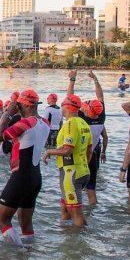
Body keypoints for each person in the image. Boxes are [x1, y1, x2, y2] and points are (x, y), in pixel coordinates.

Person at [0, 89, 51, 245]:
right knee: (25, 222)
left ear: (25, 105)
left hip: (21, 177)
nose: (17, 107)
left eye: (19, 105)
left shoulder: (25, 123)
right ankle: (29, 254)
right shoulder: (45, 123)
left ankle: (18, 254)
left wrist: (7, 114)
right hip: (35, 177)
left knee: (2, 220)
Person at [42, 94, 92, 228]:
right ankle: (64, 233)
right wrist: (83, 165)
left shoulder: (70, 124)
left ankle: (80, 245)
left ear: (67, 107)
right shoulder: (83, 123)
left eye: (62, 105)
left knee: (76, 213)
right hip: (83, 170)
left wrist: (48, 152)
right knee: (65, 207)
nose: (61, 107)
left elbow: (67, 150)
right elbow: (90, 150)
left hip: (70, 173)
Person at [68, 70, 108, 205]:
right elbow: (100, 96)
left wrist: (72, 80)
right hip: (93, 155)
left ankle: (77, 216)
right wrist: (95, 79)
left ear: (86, 111)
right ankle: (92, 212)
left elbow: (70, 98)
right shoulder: (101, 117)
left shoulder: (82, 119)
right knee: (91, 190)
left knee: (74, 189)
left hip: (80, 157)